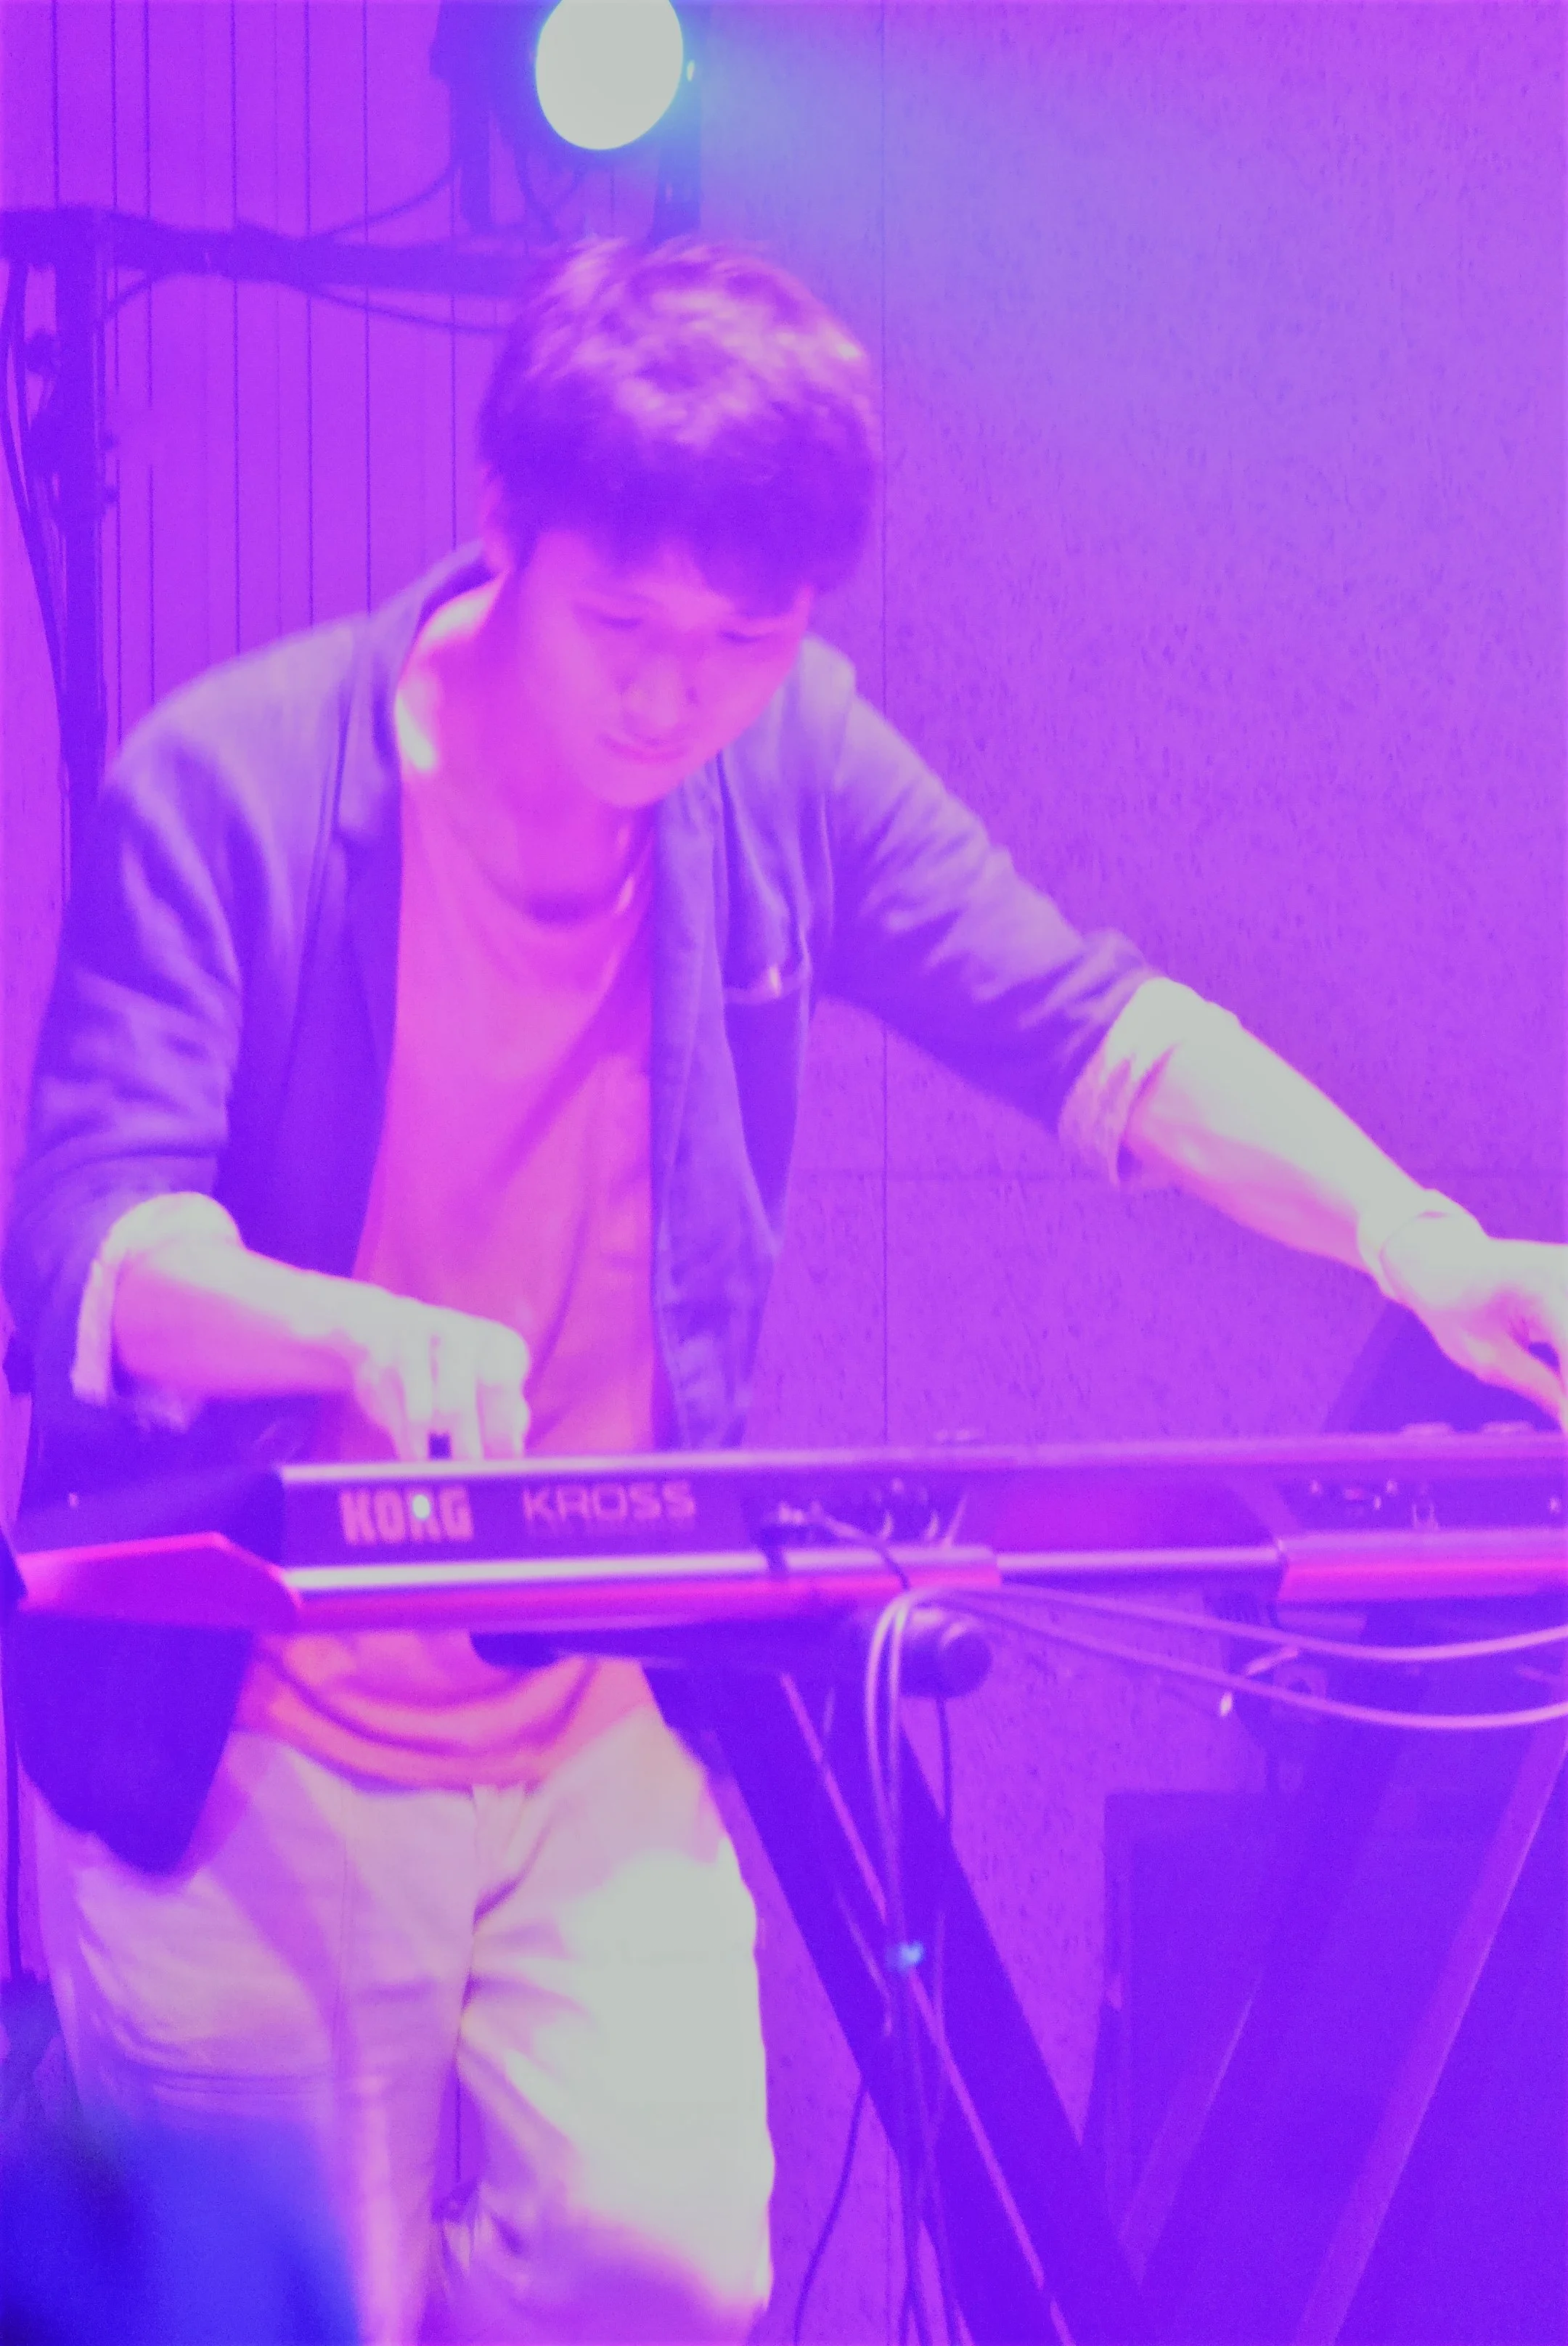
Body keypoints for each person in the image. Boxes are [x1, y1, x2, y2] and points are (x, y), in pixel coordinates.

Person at [3, 238, 1564, 2345]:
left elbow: (1093, 1030)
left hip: (580, 1700)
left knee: (666, 2270)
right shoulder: (237, 783)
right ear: (500, 528)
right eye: (625, 629)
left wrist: (1414, 1236)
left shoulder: (782, 760)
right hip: (250, 1734)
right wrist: (344, 1332)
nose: (674, 698)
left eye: (745, 641)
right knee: (278, 2313)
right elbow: (90, 1251)